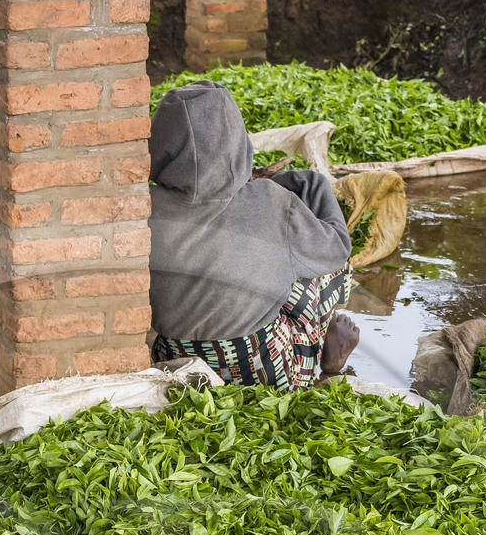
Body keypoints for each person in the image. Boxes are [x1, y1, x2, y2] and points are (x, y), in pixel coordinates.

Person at [148, 80, 358, 387]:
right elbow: (338, 248)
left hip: (177, 368)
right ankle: (324, 349)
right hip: (265, 373)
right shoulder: (273, 201)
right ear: (236, 141)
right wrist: (315, 183)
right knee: (325, 268)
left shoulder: (143, 206)